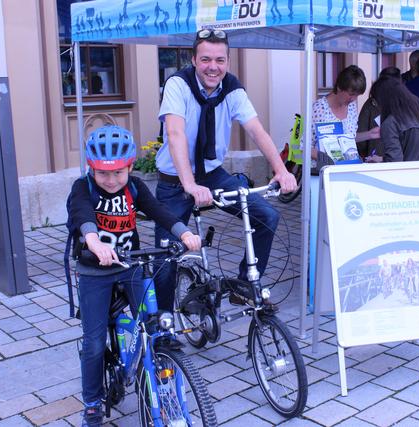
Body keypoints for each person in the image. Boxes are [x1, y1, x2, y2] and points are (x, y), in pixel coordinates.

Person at [67, 125, 202, 427]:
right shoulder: (82, 188)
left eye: (118, 172)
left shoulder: (135, 187)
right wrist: (94, 242)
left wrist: (184, 232)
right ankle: (91, 402)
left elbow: (159, 211)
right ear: (92, 169)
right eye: (103, 173)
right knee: (92, 342)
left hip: (131, 267)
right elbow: (82, 216)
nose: (111, 180)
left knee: (155, 326)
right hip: (94, 271)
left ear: (130, 167)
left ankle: (162, 376)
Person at [155, 29, 297, 311]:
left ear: (228, 62)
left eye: (220, 60)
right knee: (166, 256)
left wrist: (281, 170)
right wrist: (189, 184)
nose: (213, 67)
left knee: (266, 215)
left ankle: (243, 286)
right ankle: (162, 328)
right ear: (194, 60)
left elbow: (256, 130)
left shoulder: (231, 88)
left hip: (212, 174)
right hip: (174, 180)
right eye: (206, 59)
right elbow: (175, 134)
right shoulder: (178, 85)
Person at [311, 65, 380, 172]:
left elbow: (348, 138)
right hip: (322, 173)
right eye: (351, 94)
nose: (353, 99)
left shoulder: (351, 107)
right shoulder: (318, 109)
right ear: (339, 87)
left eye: (357, 95)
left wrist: (370, 134)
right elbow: (303, 148)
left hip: (346, 171)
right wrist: (327, 157)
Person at [369, 76, 419, 162]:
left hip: (408, 174)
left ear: (383, 100)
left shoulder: (390, 124)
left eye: (375, 102)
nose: (376, 106)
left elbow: (394, 160)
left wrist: (381, 160)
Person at [356, 66, 401, 158]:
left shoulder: (371, 103)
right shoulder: (406, 105)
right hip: (399, 161)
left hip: (374, 160)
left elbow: (361, 139)